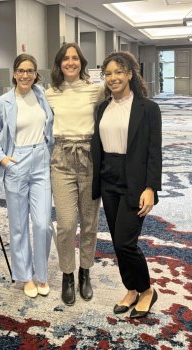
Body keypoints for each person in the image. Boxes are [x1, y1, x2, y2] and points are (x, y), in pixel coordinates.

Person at [92, 51, 162, 318]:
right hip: (109, 178)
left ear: (130, 74)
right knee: (116, 239)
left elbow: (154, 152)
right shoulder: (102, 108)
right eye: (108, 74)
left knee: (125, 242)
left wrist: (150, 188)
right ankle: (131, 289)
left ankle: (146, 290)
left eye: (119, 72)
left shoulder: (148, 108)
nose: (113, 78)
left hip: (135, 181)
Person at [0, 54, 54, 298]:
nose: (25, 75)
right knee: (18, 225)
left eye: (30, 71)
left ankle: (42, 274)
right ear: (14, 73)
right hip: (16, 161)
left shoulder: (43, 96)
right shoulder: (3, 101)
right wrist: (3, 158)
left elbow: (51, 128)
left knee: (42, 223)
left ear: (36, 74)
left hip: (41, 161)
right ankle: (25, 276)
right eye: (21, 70)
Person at [45, 43, 104, 306]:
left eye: (75, 58)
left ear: (82, 62)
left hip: (89, 158)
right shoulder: (50, 93)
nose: (71, 62)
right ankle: (67, 274)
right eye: (66, 58)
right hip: (62, 158)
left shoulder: (96, 90)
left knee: (89, 222)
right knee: (67, 224)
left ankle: (85, 273)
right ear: (59, 64)